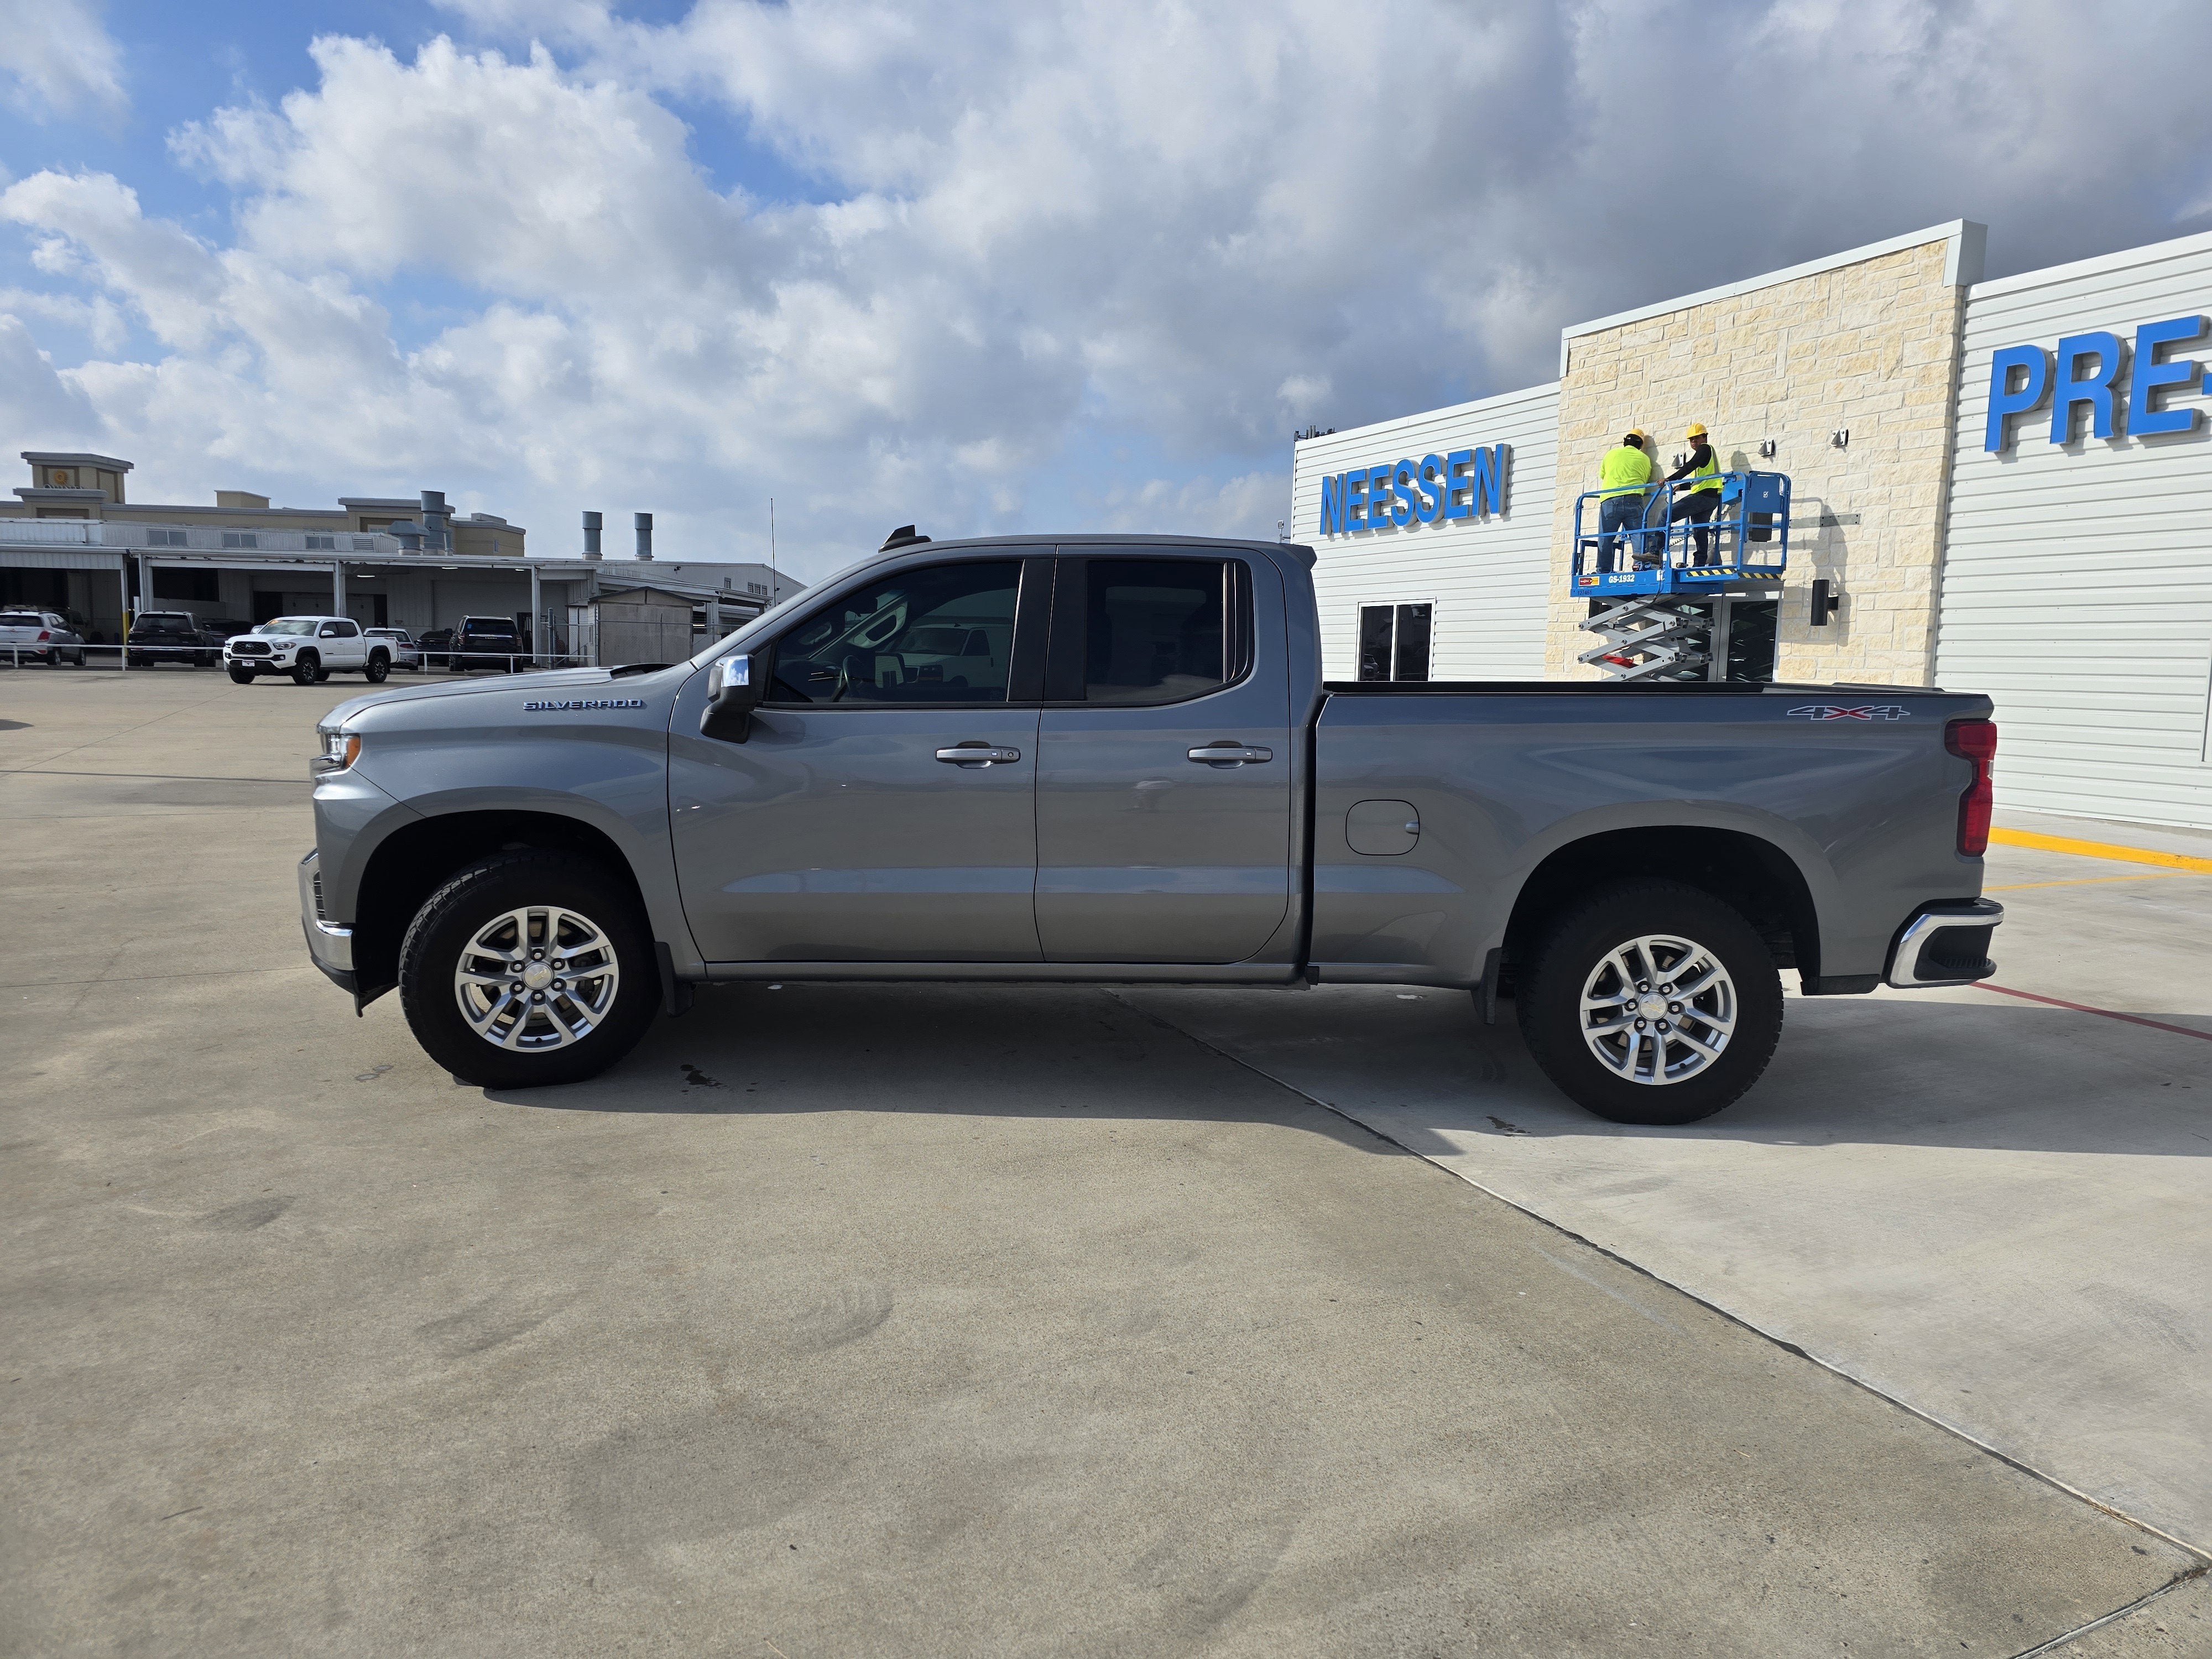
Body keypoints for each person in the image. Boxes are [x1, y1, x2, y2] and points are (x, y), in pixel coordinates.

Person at [1592, 431, 1652, 572]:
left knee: (1606, 537)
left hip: (1610, 500)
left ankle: (1603, 570)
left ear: (1625, 442)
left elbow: (1603, 475)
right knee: (1638, 535)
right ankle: (1641, 566)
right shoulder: (1645, 459)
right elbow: (1645, 478)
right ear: (1641, 445)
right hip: (1634, 499)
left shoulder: (1611, 454)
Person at [1663, 422, 1724, 562]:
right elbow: (1698, 481)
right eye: (1691, 439)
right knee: (1699, 530)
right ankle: (1699, 563)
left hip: (1703, 496)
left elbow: (1690, 466)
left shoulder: (1705, 448)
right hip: (1710, 497)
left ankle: (1655, 552)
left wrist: (1670, 479)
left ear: (1705, 437)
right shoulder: (1705, 456)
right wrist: (1682, 486)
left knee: (1665, 514)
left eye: (1697, 438)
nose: (1694, 441)